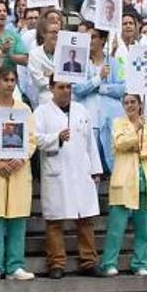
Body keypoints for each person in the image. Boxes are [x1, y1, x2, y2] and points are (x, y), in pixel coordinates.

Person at [35, 79, 104, 279]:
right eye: (61, 87)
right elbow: (34, 137)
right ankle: (56, 263)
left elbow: (90, 140)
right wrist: (55, 138)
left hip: (81, 169)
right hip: (56, 170)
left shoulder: (81, 110)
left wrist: (95, 168)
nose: (66, 91)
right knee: (55, 220)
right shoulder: (41, 112)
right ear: (51, 89)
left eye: (69, 87)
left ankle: (89, 261)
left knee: (86, 217)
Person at [0, 67, 37, 281]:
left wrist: (21, 158)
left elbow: (31, 139)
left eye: (13, 80)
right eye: (5, 80)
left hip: (19, 169)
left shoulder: (24, 109)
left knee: (17, 217)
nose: (10, 84)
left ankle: (15, 265)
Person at [101, 94, 147, 276]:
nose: (130, 105)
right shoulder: (119, 123)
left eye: (133, 102)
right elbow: (120, 143)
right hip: (124, 180)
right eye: (126, 103)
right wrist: (135, 130)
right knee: (116, 228)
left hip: (144, 180)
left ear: (140, 104)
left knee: (143, 229)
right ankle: (109, 263)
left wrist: (137, 147)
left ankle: (140, 263)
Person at [73, 24, 126, 174]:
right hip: (88, 117)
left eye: (94, 37)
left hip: (110, 117)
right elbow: (77, 89)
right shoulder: (79, 63)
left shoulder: (114, 63)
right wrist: (98, 79)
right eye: (87, 37)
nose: (89, 40)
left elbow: (123, 88)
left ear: (103, 40)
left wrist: (102, 88)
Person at [28, 16, 60, 106]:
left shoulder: (64, 52)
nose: (56, 36)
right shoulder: (34, 54)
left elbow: (67, 77)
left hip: (64, 97)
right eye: (53, 32)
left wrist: (49, 75)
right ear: (43, 34)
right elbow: (39, 81)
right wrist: (57, 78)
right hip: (44, 98)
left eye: (57, 33)